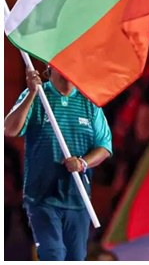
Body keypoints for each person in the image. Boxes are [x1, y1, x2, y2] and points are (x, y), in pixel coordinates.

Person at [3, 65, 113, 261]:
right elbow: (9, 129)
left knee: (75, 258)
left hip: (78, 199)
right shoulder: (38, 94)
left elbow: (104, 147)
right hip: (41, 197)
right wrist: (30, 94)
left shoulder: (90, 103)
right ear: (50, 67)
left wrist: (82, 163)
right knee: (53, 255)